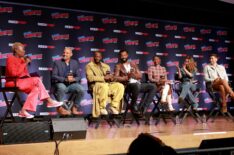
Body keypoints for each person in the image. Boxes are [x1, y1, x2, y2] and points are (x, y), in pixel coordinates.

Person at [5, 42, 63, 118]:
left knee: (35, 89)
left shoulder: (22, 60)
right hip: (12, 82)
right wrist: (25, 63)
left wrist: (28, 71)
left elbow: (24, 74)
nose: (24, 51)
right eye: (22, 49)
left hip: (21, 82)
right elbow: (14, 74)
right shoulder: (10, 59)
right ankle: (49, 101)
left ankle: (23, 111)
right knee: (37, 80)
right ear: (16, 50)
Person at [114, 50, 156, 114]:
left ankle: (143, 108)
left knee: (153, 86)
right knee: (136, 85)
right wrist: (126, 78)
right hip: (127, 85)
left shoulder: (133, 64)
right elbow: (115, 78)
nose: (123, 57)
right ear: (120, 57)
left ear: (127, 55)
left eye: (124, 55)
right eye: (122, 55)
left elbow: (140, 75)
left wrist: (133, 75)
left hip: (137, 84)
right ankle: (133, 104)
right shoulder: (118, 66)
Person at [85, 51, 124, 117]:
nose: (97, 58)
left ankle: (113, 106)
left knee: (120, 86)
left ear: (101, 57)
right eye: (96, 56)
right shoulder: (89, 66)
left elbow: (108, 76)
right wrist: (104, 78)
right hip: (95, 86)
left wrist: (111, 78)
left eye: (99, 56)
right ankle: (102, 108)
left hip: (107, 85)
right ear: (93, 57)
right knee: (104, 86)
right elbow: (90, 78)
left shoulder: (106, 66)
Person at [52, 47, 85, 115]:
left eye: (67, 53)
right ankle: (60, 108)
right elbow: (54, 75)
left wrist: (73, 79)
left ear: (71, 54)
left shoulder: (74, 62)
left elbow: (79, 76)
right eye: (64, 52)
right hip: (61, 83)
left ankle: (75, 108)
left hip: (71, 85)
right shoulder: (57, 63)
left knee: (81, 89)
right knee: (61, 87)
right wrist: (65, 79)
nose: (64, 54)